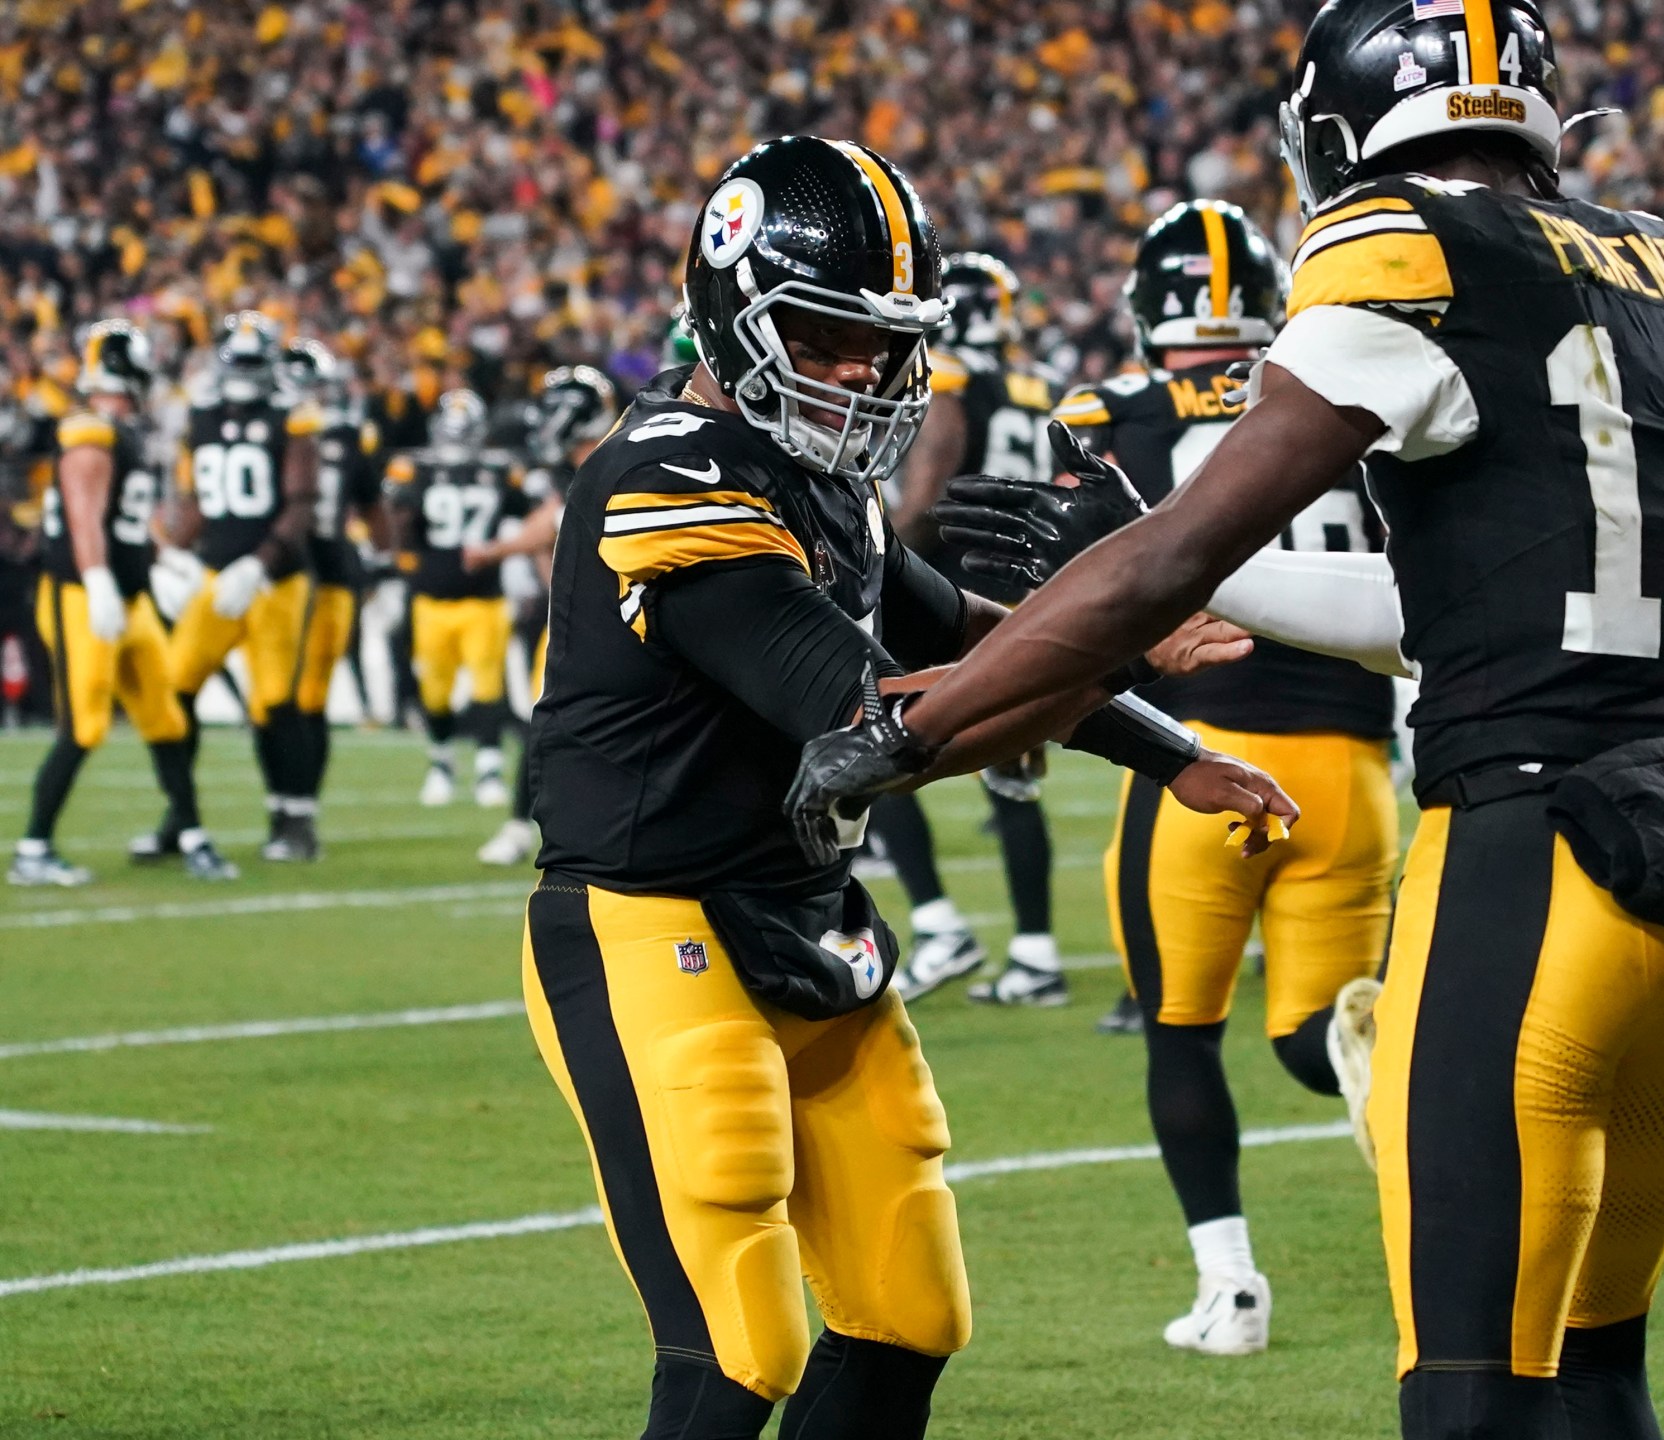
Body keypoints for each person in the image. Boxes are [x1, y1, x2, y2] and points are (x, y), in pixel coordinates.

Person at [786, 6, 1664, 1433]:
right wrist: (1180, 568)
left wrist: (921, 730)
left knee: (1471, 1391)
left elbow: (1172, 560)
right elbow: (1455, 598)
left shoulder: (1404, 243)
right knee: (1597, 1376)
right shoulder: (1661, 262)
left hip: (1537, 851)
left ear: (1340, 126)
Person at [518, 135, 1288, 1439]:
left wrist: (1171, 745)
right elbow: (877, 722)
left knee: (907, 1312)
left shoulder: (821, 484)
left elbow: (970, 641)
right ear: (732, 309)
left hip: (809, 917)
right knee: (736, 1351)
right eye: (826, 335)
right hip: (649, 927)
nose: (863, 371)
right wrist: (1120, 611)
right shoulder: (666, 478)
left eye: (883, 342)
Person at [1047, 198, 1400, 1351]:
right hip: (1351, 771)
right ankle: (1382, 1080)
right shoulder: (1342, 392)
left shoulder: (1109, 416)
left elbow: (1090, 592)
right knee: (1314, 1035)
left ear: (1150, 310)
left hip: (1198, 760)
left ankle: (1231, 1293)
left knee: (1180, 1032)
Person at [870, 252, 1065, 1006]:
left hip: (955, 595)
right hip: (1028, 593)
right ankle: (1036, 955)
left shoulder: (948, 374)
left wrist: (886, 556)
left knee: (874, 743)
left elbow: (934, 476)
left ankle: (939, 922)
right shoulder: (1041, 382)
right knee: (1014, 782)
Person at [12, 321, 233, 886]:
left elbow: (122, 520)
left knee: (165, 716)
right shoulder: (91, 431)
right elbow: (85, 517)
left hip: (128, 597)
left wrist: (162, 556)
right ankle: (33, 848)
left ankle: (191, 835)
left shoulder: (121, 430)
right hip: (82, 596)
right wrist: (99, 582)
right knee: (83, 727)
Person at [155, 311, 325, 864]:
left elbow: (301, 504)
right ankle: (179, 815)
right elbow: (199, 500)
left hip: (273, 582)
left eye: (257, 362)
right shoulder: (200, 417)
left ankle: (294, 818)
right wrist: (172, 553)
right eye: (241, 361)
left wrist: (258, 564)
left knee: (274, 703)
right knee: (174, 689)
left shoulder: (292, 417)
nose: (248, 373)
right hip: (214, 575)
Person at [465, 364, 617, 865]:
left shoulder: (614, 457)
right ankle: (522, 825)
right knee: (546, 723)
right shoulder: (579, 466)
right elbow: (551, 524)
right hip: (583, 617)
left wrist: (493, 551)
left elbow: (555, 520)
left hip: (621, 621)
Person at [386, 389, 530, 809]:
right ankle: (441, 763)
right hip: (432, 598)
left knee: (487, 686)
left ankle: (488, 767)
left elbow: (525, 518)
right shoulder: (416, 470)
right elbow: (399, 524)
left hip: (484, 597)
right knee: (435, 690)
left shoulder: (500, 470)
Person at [279, 337, 382, 841]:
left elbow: (370, 502)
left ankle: (300, 811)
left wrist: (385, 555)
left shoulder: (341, 436)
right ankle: (287, 808)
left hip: (326, 576)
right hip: (280, 575)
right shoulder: (282, 430)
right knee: (279, 700)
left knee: (306, 698)